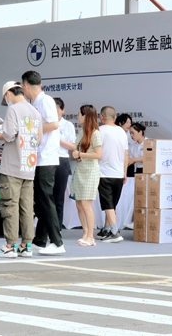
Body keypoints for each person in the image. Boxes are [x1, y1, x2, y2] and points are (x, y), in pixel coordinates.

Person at [0, 81, 41, 258]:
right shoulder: (34, 111)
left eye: (6, 98)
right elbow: (39, 139)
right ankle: (26, 245)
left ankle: (10, 245)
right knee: (27, 207)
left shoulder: (13, 110)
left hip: (12, 166)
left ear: (8, 94)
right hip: (28, 166)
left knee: (9, 204)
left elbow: (9, 134)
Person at [21, 71, 64, 255]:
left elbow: (54, 124)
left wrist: (33, 130)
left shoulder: (45, 100)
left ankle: (57, 242)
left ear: (26, 86)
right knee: (40, 200)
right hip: (39, 157)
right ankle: (40, 240)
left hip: (46, 158)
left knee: (45, 199)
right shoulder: (36, 102)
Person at [72, 104, 102, 247]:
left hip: (90, 171)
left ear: (86, 116)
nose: (78, 116)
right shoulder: (81, 132)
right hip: (80, 169)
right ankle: (85, 232)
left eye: (79, 114)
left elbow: (98, 154)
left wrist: (80, 154)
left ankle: (91, 236)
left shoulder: (95, 133)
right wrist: (78, 156)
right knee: (79, 204)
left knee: (86, 204)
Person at [96, 106, 127, 243]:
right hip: (119, 173)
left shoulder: (99, 131)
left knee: (108, 204)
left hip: (104, 172)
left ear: (101, 117)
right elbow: (126, 153)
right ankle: (107, 228)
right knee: (112, 204)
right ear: (115, 118)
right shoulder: (121, 132)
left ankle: (114, 231)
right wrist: (125, 172)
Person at [116, 122, 146, 230]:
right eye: (130, 133)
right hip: (136, 171)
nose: (131, 136)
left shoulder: (149, 143)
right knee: (137, 196)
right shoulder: (133, 146)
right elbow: (129, 159)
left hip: (146, 170)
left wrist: (133, 160)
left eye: (133, 133)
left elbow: (149, 157)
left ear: (140, 132)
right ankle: (135, 220)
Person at [53, 97, 76, 230]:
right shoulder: (45, 123)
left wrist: (58, 139)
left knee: (59, 197)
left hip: (61, 160)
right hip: (46, 161)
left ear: (62, 110)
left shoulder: (68, 125)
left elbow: (72, 146)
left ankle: (57, 229)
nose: (54, 113)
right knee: (45, 196)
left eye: (57, 110)